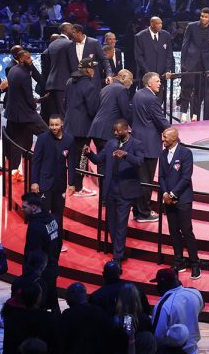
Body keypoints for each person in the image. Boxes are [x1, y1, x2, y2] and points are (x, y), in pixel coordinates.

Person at [83, 119, 145, 266]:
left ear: (126, 129)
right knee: (111, 223)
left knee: (121, 224)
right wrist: (89, 153)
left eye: (118, 130)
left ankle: (117, 257)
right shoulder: (110, 143)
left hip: (126, 191)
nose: (115, 133)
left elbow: (139, 162)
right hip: (111, 189)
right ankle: (119, 251)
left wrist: (125, 155)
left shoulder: (137, 144)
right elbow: (98, 160)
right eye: (114, 131)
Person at [159, 127, 201, 278]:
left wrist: (172, 194)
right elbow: (162, 176)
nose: (163, 140)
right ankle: (179, 261)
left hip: (183, 199)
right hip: (168, 200)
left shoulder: (185, 153)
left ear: (174, 138)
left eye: (165, 137)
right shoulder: (163, 154)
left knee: (186, 231)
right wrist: (164, 193)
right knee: (174, 231)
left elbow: (186, 177)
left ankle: (195, 263)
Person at [30, 114, 76, 242]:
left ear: (62, 124)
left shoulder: (69, 140)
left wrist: (71, 183)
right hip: (44, 183)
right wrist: (34, 181)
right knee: (43, 214)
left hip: (60, 183)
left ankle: (57, 241)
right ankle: (42, 240)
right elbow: (36, 162)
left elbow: (71, 163)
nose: (54, 127)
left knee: (58, 214)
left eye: (56, 125)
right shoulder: (42, 138)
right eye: (51, 125)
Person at [133, 72, 171, 222]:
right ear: (149, 83)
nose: (160, 83)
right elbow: (160, 120)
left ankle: (138, 210)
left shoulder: (138, 94)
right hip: (149, 144)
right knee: (146, 180)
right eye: (157, 81)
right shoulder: (152, 99)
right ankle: (144, 213)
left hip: (137, 140)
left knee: (140, 178)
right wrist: (172, 132)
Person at [5, 50, 48, 182]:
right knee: (49, 134)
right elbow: (28, 98)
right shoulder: (24, 74)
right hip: (25, 114)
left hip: (13, 114)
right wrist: (35, 105)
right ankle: (49, 168)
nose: (31, 60)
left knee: (16, 143)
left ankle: (14, 173)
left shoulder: (13, 70)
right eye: (29, 58)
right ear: (22, 60)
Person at [21, 192, 62, 314]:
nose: (22, 209)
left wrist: (29, 273)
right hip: (53, 266)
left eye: (24, 207)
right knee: (53, 300)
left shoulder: (35, 227)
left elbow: (33, 253)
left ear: (33, 207)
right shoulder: (53, 219)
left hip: (41, 273)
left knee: (41, 307)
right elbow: (59, 242)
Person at [64, 58, 100, 197]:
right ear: (87, 70)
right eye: (92, 68)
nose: (94, 71)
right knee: (82, 158)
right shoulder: (90, 86)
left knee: (71, 157)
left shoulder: (69, 81)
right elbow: (92, 110)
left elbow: (65, 103)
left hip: (69, 126)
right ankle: (78, 188)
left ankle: (72, 184)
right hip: (83, 129)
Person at [178, 7, 209, 120]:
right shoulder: (191, 26)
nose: (203, 18)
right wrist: (183, 64)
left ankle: (195, 115)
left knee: (199, 89)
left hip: (205, 64)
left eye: (206, 17)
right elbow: (185, 45)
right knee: (186, 87)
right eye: (202, 16)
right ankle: (183, 113)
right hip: (191, 62)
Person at [151, 268, 204, 354]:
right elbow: (201, 308)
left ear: (162, 285)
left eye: (158, 283)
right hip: (193, 350)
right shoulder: (195, 293)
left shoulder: (164, 305)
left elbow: (157, 336)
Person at [88, 69, 134, 154]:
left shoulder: (105, 88)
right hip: (108, 132)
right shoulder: (122, 89)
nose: (131, 83)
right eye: (130, 79)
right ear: (123, 77)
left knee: (101, 162)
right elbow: (126, 112)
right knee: (109, 163)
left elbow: (96, 108)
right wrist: (134, 128)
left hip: (96, 129)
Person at [59, 282, 111, 354]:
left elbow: (61, 339)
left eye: (67, 295)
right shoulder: (101, 312)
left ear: (74, 294)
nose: (66, 300)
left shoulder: (68, 314)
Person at [41, 22, 75, 118]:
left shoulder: (52, 44)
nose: (73, 30)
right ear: (64, 30)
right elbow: (73, 64)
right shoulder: (69, 44)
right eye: (71, 28)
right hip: (64, 83)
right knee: (64, 113)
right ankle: (65, 133)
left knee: (55, 114)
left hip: (52, 83)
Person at [135, 16, 175, 99]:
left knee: (159, 100)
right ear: (151, 24)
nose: (160, 25)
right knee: (145, 100)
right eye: (158, 23)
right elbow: (139, 57)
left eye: (161, 23)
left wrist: (168, 70)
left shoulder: (166, 35)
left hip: (161, 75)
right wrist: (149, 74)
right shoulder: (140, 36)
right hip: (146, 76)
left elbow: (169, 54)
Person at [69, 24, 112, 90]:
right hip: (76, 82)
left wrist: (109, 75)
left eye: (73, 33)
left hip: (92, 81)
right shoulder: (70, 45)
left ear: (79, 33)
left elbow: (104, 59)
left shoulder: (94, 43)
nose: (71, 35)